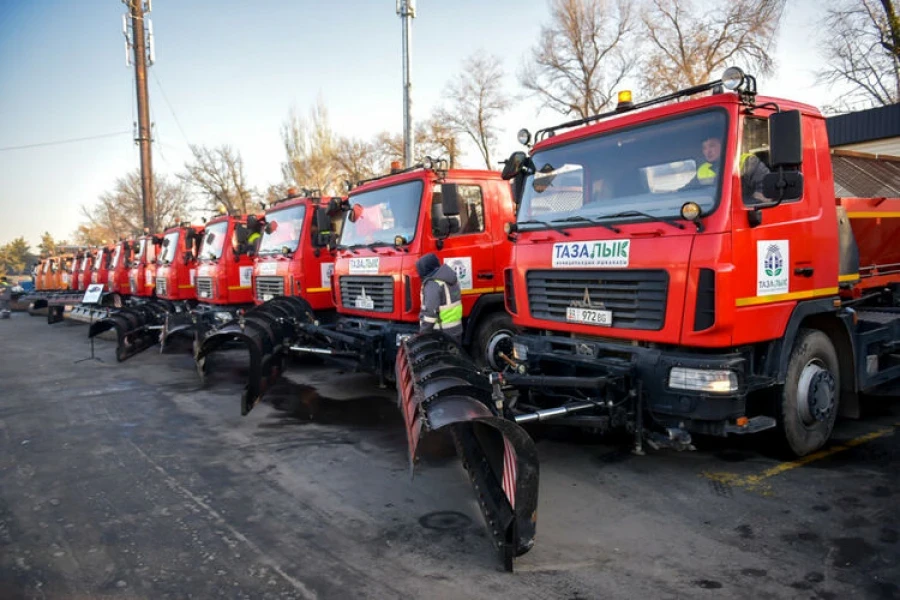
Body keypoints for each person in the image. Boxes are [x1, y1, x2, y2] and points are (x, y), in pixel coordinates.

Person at [693, 135, 770, 202]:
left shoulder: (747, 162)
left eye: (712, 146)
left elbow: (767, 189)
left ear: (723, 145)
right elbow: (689, 190)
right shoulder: (702, 170)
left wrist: (751, 203)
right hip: (713, 213)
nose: (708, 151)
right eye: (704, 148)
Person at [416, 253, 463, 344]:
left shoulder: (433, 284)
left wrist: (422, 334)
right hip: (456, 330)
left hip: (441, 333)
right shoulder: (450, 278)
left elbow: (430, 314)